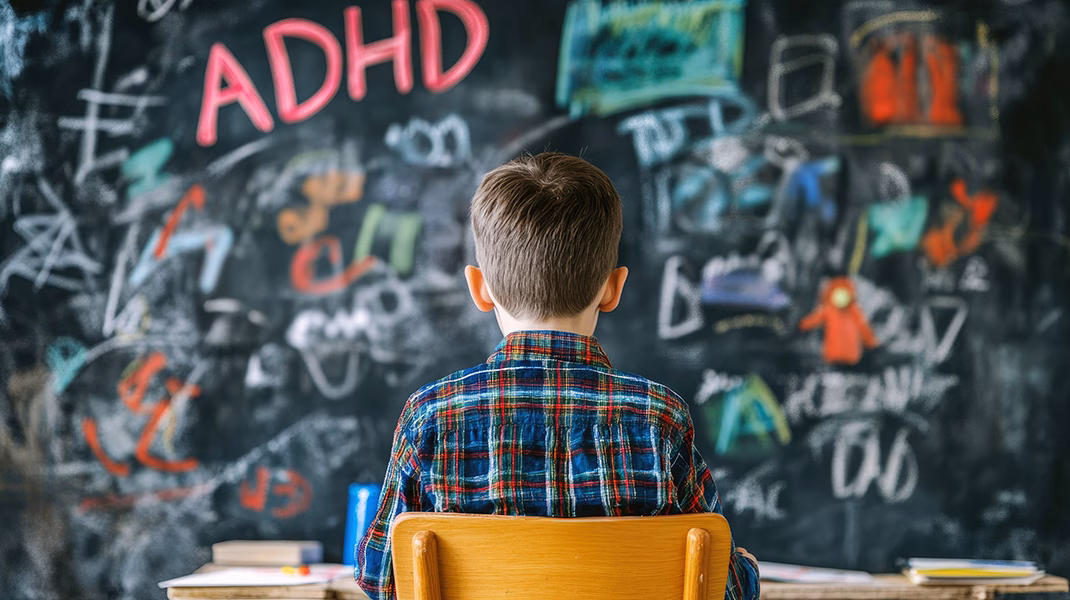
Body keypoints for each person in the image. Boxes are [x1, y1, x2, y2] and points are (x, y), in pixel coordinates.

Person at [355, 152, 760, 599]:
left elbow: (381, 579)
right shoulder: (659, 418)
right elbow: (721, 585)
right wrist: (747, 572)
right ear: (613, 288)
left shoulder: (430, 417)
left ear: (479, 288)